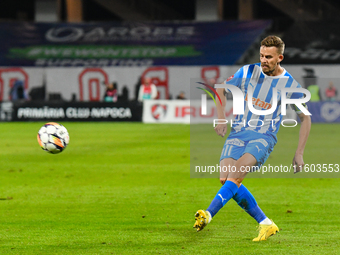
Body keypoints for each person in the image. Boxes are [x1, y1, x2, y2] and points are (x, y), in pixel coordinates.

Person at [193, 35, 311, 241]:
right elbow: (221, 88)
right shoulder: (247, 71)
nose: (263, 60)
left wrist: (299, 152)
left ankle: (208, 214)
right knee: (226, 179)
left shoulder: (290, 84)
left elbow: (305, 118)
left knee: (235, 176)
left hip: (263, 137)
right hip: (238, 132)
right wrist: (221, 119)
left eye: (268, 57)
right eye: (261, 55)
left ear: (280, 57)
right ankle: (266, 224)